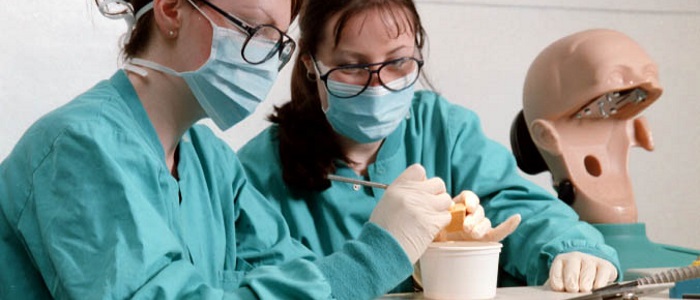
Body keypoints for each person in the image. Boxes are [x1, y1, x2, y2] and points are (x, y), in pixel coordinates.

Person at [0, 0, 458, 298]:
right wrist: (379, 252)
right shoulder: (79, 150)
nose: (264, 59)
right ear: (172, 9)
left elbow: (296, 273)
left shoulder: (209, 161)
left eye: (276, 40)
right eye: (252, 28)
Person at [238, 0, 621, 293]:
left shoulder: (444, 130)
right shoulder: (256, 173)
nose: (379, 85)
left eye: (398, 62)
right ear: (310, 63)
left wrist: (570, 250)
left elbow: (516, 206)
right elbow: (269, 289)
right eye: (352, 67)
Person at [511, 28, 700, 279]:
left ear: (638, 130)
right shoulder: (520, 273)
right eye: (594, 111)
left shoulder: (690, 265)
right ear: (547, 136)